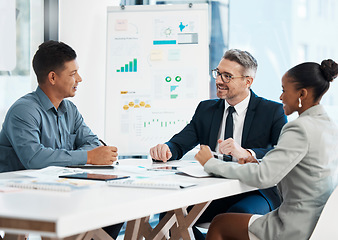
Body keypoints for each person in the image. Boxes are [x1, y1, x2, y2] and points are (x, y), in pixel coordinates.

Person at [150, 49, 287, 238]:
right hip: (212, 189)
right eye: (218, 73)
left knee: (235, 218)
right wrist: (166, 149)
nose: (219, 80)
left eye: (227, 76)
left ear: (248, 81)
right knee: (169, 215)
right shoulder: (206, 109)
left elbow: (282, 155)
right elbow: (180, 143)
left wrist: (247, 153)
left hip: (255, 190)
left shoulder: (272, 111)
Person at [195, 59, 338, 240]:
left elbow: (264, 177)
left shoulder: (299, 128)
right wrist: (258, 162)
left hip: (296, 226)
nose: (281, 97)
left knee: (219, 224)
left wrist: (210, 163)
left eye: (284, 91)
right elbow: (302, 167)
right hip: (323, 223)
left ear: (302, 93)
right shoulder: (329, 125)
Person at [0, 40, 118, 173]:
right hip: (16, 188)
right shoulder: (24, 111)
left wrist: (68, 157)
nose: (79, 79)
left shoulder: (70, 110)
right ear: (52, 78)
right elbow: (34, 159)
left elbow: (94, 143)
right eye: (73, 74)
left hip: (56, 185)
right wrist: (88, 157)